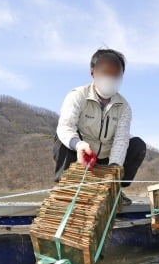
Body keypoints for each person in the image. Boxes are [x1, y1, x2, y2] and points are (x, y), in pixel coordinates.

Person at [54, 48, 146, 206]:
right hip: (82, 153)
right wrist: (80, 145)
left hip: (105, 157)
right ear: (93, 74)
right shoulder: (77, 95)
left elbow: (121, 139)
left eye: (116, 75)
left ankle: (116, 190)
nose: (110, 79)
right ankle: (66, 187)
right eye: (105, 73)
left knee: (138, 145)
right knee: (61, 139)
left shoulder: (124, 107)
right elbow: (65, 127)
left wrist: (114, 169)